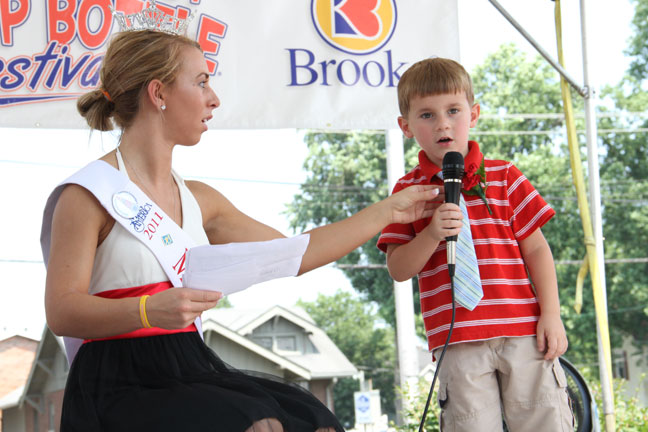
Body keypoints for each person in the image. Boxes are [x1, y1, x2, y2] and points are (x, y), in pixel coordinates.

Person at [40, 28, 440, 432]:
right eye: (201, 82)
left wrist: (388, 211)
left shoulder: (201, 200)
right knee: (255, 423)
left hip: (189, 363)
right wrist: (147, 309)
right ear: (158, 94)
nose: (214, 98)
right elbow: (61, 312)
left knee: (314, 419)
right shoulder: (88, 194)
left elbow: (295, 253)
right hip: (114, 381)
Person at [376, 58, 573, 431]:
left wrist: (551, 313)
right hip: (458, 341)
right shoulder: (407, 192)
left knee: (544, 419)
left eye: (453, 110)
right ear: (406, 126)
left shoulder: (505, 176)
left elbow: (536, 250)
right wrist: (431, 233)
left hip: (524, 332)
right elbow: (399, 268)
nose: (443, 124)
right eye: (427, 115)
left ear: (474, 113)